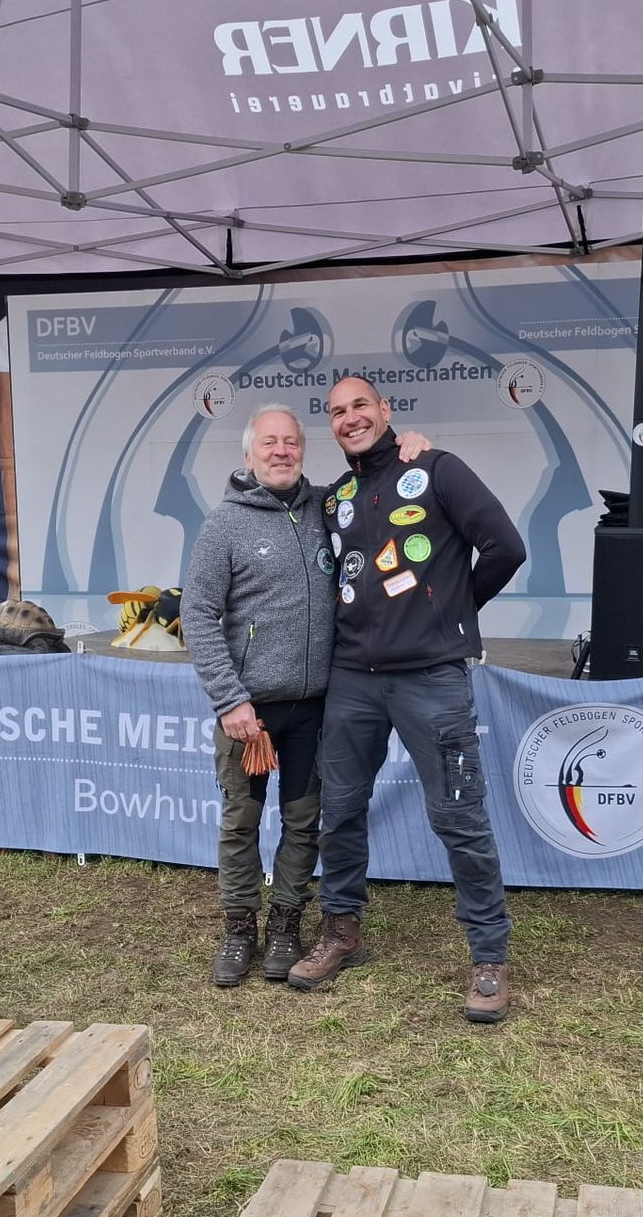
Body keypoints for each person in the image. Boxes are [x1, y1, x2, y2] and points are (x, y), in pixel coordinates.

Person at [289, 376, 526, 1023]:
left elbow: (506, 547)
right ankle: (341, 931)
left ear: (385, 410)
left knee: (459, 818)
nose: (350, 418)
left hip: (431, 680)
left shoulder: (437, 469)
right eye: (337, 411)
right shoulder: (335, 498)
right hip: (352, 682)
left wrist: (452, 611)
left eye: (360, 405)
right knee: (340, 810)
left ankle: (488, 957)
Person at [181, 406, 329, 987]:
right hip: (250, 713)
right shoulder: (224, 524)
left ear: (302, 451)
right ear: (248, 455)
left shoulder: (326, 510)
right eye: (269, 443)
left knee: (303, 821)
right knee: (241, 821)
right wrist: (229, 700)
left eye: (291, 442)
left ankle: (287, 923)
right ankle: (240, 927)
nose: (281, 451)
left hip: (313, 707)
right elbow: (197, 614)